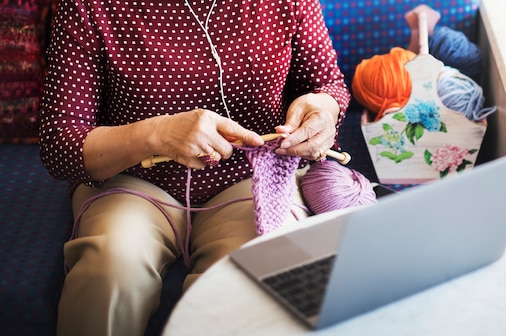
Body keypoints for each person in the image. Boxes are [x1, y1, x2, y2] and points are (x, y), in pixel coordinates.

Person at [38, 0, 350, 335]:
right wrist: (156, 133)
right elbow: (60, 145)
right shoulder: (89, 6)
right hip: (133, 178)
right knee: (110, 266)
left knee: (252, 275)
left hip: (252, 174)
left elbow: (329, 87)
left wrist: (323, 110)